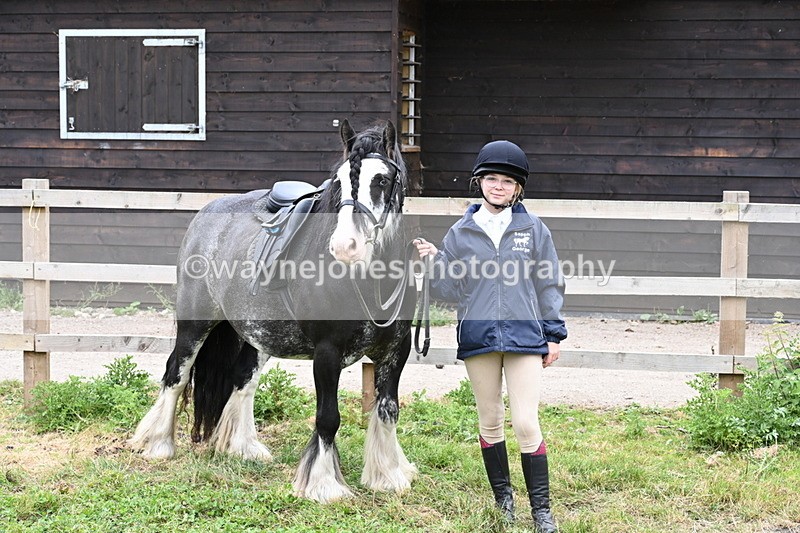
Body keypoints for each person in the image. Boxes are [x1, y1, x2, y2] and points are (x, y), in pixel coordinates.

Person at [414, 140, 566, 532]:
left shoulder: (533, 229)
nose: (498, 186)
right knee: (490, 420)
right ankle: (504, 501)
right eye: (492, 179)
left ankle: (542, 512)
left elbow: (548, 282)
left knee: (527, 423)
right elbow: (451, 292)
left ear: (518, 188)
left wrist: (553, 333)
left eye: (507, 181)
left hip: (524, 337)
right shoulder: (460, 233)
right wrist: (434, 264)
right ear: (479, 183)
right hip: (479, 336)